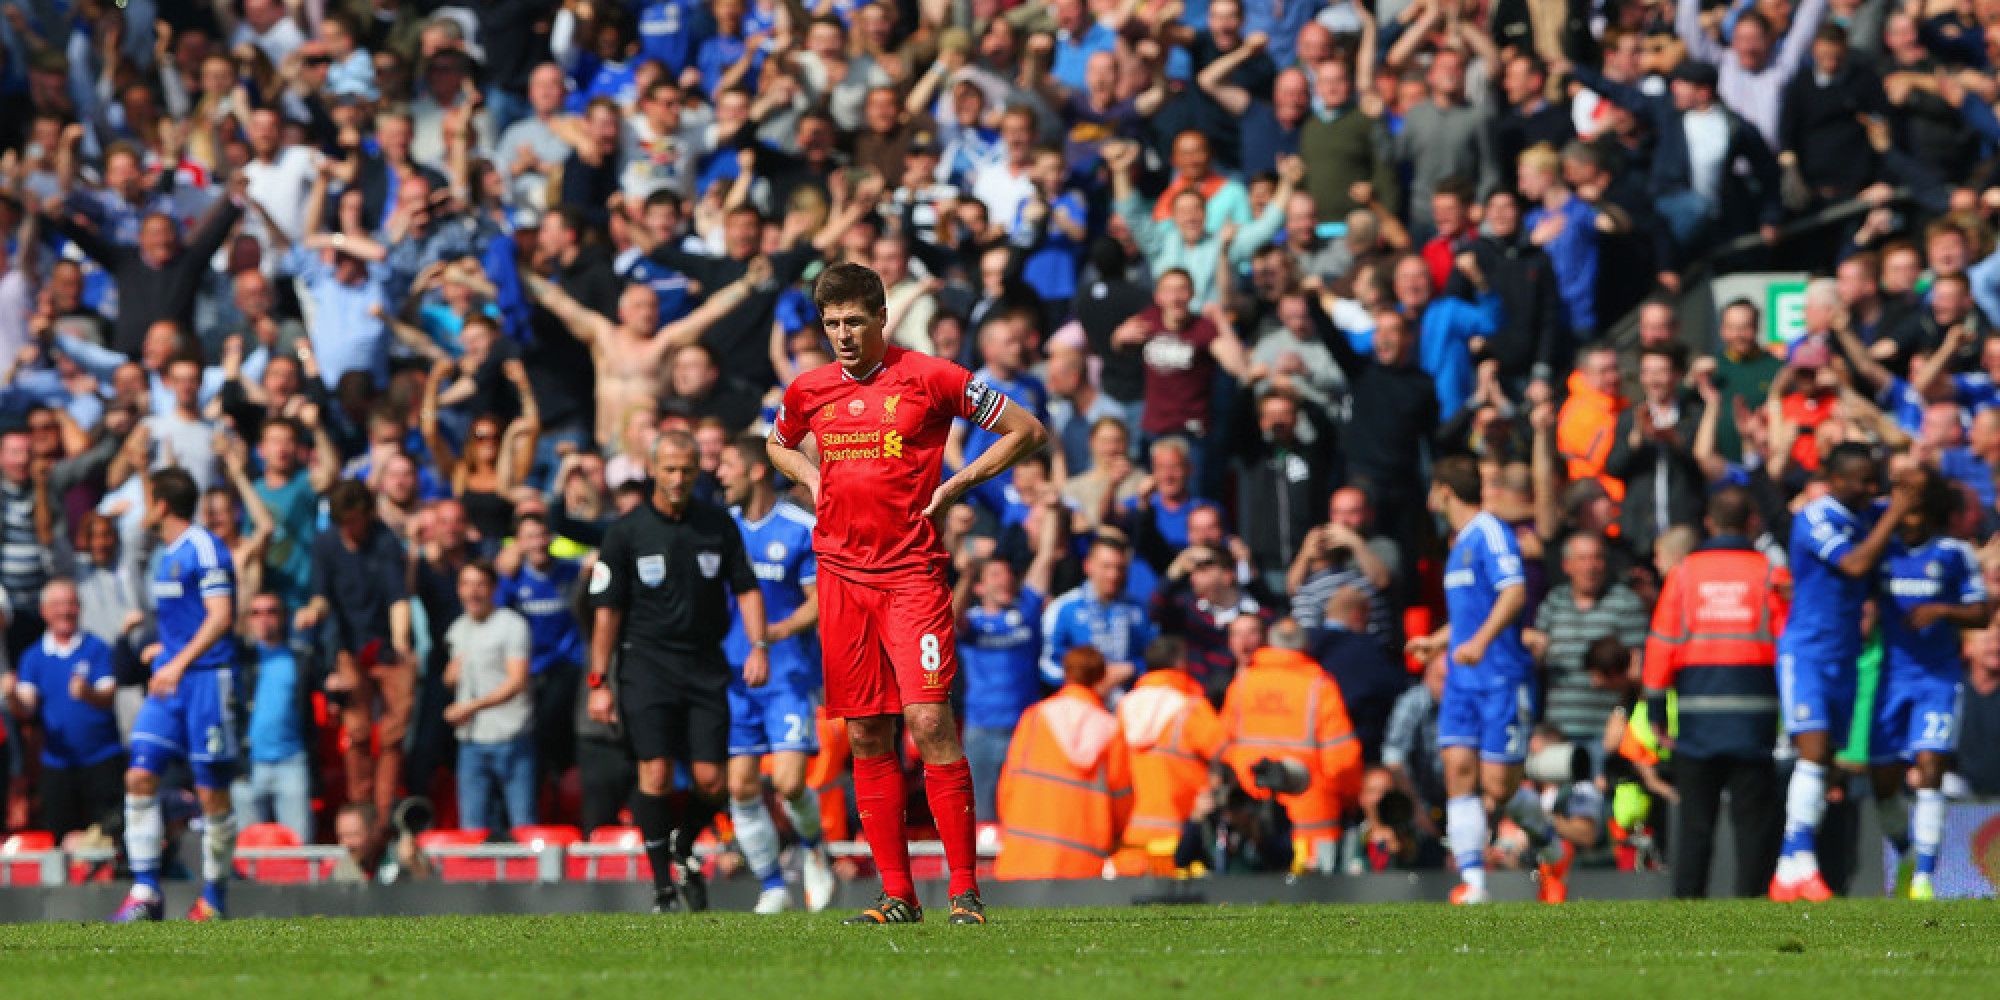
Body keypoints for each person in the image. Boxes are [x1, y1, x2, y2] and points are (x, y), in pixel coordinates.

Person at [767, 262, 1048, 925]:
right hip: (840, 576)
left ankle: (964, 892)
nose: (842, 334)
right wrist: (811, 476)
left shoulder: (932, 376)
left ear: (881, 317)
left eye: (853, 321)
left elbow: (1027, 429)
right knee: (866, 731)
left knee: (928, 721)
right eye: (831, 323)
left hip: (911, 575)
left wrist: (956, 485)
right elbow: (776, 444)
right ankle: (897, 894)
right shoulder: (808, 389)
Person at [587, 431, 767, 914]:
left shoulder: (717, 525)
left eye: (687, 469)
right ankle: (663, 887)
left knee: (712, 780)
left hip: (706, 665)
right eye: (669, 469)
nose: (678, 478)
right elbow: (606, 612)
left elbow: (747, 588)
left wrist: (760, 646)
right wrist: (599, 681)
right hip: (646, 666)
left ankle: (683, 845)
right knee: (657, 772)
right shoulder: (625, 532)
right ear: (652, 469)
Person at [1405, 456, 1569, 905]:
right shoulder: (1458, 544)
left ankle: (1552, 848)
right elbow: (1467, 614)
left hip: (1500, 676)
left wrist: (1479, 642)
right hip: (1462, 679)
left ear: (1444, 491)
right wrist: (1436, 642)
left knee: (1499, 787)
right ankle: (1474, 884)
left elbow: (1514, 592)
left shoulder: (1490, 532)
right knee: (1458, 771)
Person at [1772, 444, 1916, 902]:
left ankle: (1788, 870)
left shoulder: (1865, 513)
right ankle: (1803, 863)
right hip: (1808, 653)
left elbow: (1909, 506)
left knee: (1828, 764)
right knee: (1812, 755)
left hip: (1845, 655)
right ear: (1834, 479)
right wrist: (1894, 513)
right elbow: (1854, 563)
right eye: (1861, 479)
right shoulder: (1816, 518)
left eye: (1874, 478)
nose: (1870, 487)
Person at [1641, 486, 1788, 899]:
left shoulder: (1685, 574)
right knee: (1753, 821)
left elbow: (1661, 643)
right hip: (1753, 718)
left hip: (1696, 718)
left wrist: (1656, 710)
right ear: (1753, 522)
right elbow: (1788, 644)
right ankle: (1751, 900)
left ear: (1709, 522)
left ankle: (1689, 901)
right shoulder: (1771, 573)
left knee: (1695, 822)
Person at [713, 434, 835, 914]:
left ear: (755, 471)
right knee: (740, 786)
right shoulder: (720, 529)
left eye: (726, 465)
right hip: (733, 674)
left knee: (786, 783)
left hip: (786, 674)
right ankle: (771, 885)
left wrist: (772, 634)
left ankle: (813, 848)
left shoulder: (800, 527)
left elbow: (821, 601)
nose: (718, 474)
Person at [113, 469, 240, 922]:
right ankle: (145, 891)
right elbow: (188, 621)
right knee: (139, 776)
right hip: (171, 680)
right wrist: (163, 650)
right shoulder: (166, 554)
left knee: (211, 793)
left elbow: (221, 616)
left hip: (207, 680)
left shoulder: (203, 548)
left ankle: (214, 898)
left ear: (161, 504)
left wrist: (179, 661)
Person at [1869, 465, 1988, 900]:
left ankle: (1923, 877)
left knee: (1931, 766)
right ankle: (1904, 851)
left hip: (1937, 679)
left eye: (1917, 508)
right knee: (1882, 780)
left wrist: (1942, 611)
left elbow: (1981, 612)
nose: (1909, 516)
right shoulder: (1881, 550)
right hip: (1890, 679)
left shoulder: (1954, 553)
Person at [299, 480, 414, 834]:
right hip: (349, 647)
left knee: (393, 733)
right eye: (343, 522)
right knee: (358, 732)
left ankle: (382, 815)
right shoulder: (326, 544)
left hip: (384, 644)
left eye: (354, 520)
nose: (349, 529)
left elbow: (398, 598)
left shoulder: (385, 542)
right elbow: (321, 596)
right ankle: (360, 814)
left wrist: (400, 643)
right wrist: (313, 612)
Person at [1219, 619, 1364, 867]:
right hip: (1311, 821)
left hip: (1252, 812)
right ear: (1305, 646)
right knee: (1313, 900)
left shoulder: (1242, 684)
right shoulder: (1319, 686)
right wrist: (1348, 799)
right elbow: (1342, 760)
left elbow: (1223, 746)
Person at [993, 646, 1134, 880]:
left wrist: (1011, 824)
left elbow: (1009, 782)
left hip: (1023, 853)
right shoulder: (1110, 729)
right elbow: (1121, 800)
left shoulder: (1035, 717)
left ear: (1066, 674)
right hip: (1082, 860)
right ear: (1101, 678)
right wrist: (1115, 839)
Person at [3, 580, 121, 841]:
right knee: (60, 841)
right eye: (57, 605)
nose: (65, 611)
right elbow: (26, 707)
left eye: (70, 604)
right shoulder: (33, 656)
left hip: (101, 760)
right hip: (57, 764)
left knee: (107, 839)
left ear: (79, 608)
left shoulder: (97, 648)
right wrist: (11, 697)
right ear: (44, 611)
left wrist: (87, 693)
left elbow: (108, 696)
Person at [1113, 636, 1226, 875]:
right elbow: (1224, 753)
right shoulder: (1191, 707)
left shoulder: (1125, 706)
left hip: (1134, 835)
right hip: (1182, 834)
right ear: (1180, 663)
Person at [445, 561, 537, 832]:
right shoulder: (457, 628)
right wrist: (449, 679)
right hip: (471, 741)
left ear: (493, 588)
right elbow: (456, 682)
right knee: (471, 828)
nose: (472, 592)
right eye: (465, 584)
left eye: (479, 585)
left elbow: (517, 681)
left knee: (522, 825)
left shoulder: (512, 625)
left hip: (511, 737)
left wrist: (472, 707)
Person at [236, 591, 317, 846]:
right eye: (256, 613)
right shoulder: (240, 659)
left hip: (291, 761)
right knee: (245, 853)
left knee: (298, 846)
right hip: (248, 765)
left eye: (271, 611)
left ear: (283, 617)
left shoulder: (301, 657)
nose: (264, 619)